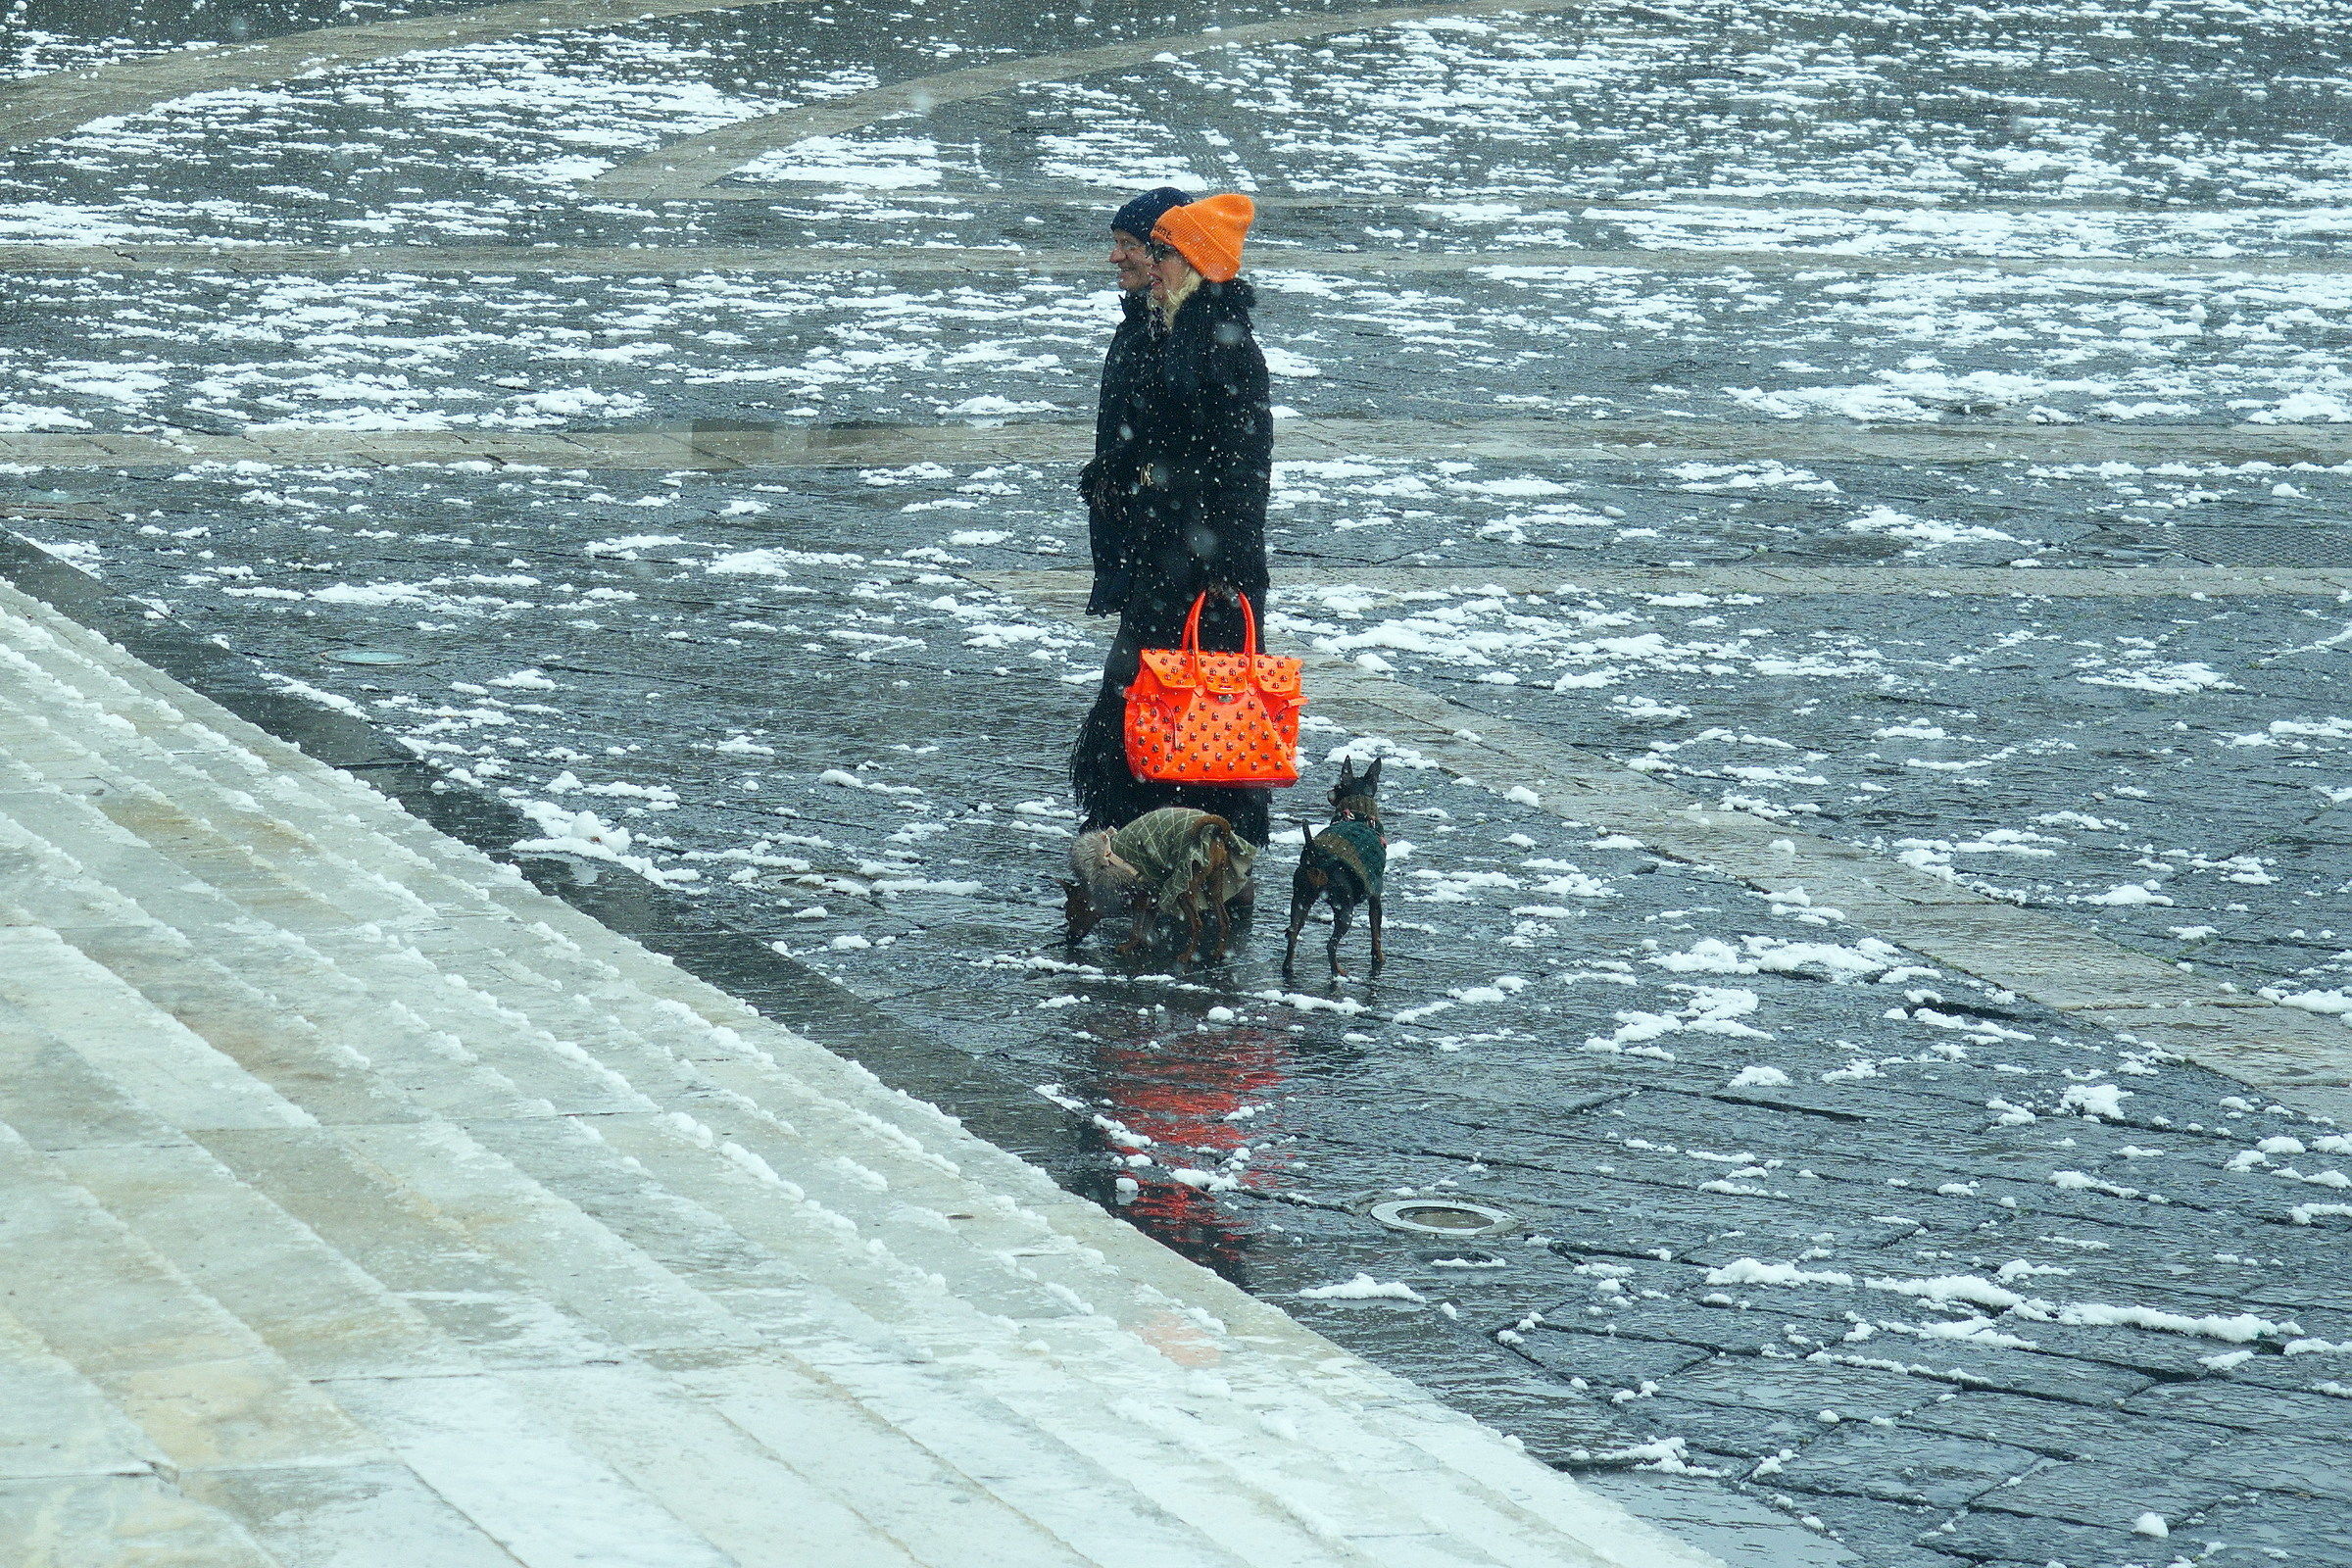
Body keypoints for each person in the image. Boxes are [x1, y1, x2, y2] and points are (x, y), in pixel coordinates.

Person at [1069, 188, 1275, 845]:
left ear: (1194, 261)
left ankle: (1186, 851)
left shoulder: (1221, 346)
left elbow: (1242, 469)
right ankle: (1146, 839)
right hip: (1165, 557)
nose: (1148, 265)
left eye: (1162, 253)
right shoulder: (1168, 331)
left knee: (1195, 712)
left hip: (1204, 567)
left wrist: (1226, 563)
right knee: (1150, 705)